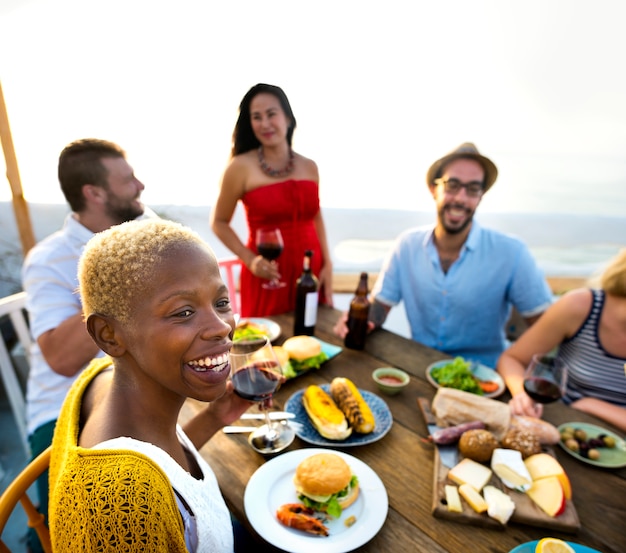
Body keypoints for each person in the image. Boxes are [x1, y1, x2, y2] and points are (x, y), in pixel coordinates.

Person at [48, 218, 254, 551]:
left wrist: (215, 417)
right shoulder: (119, 506)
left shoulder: (105, 377)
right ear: (109, 335)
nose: (221, 328)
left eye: (220, 303)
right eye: (183, 312)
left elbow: (167, 471)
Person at [21, 138, 152, 549]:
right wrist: (115, 273)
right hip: (63, 407)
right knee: (80, 531)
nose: (140, 186)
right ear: (94, 194)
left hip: (140, 390)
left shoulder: (143, 230)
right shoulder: (48, 260)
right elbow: (59, 358)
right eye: (128, 180)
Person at [334, 142, 553, 368]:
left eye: (472, 189)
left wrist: (514, 365)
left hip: (486, 378)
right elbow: (379, 306)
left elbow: (546, 326)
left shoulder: (512, 253)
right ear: (433, 189)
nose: (460, 198)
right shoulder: (407, 245)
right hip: (419, 368)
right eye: (452, 185)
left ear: (481, 196)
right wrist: (359, 319)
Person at [210, 83, 333, 317]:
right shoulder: (239, 167)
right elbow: (219, 222)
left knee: (312, 342)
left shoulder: (310, 166)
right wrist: (251, 260)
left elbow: (315, 215)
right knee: (267, 344)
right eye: (256, 117)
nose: (265, 123)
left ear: (287, 118)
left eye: (271, 114)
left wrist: (328, 264)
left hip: (310, 270)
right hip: (267, 273)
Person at [497, 250, 626, 432]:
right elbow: (512, 359)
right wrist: (521, 395)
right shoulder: (582, 307)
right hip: (561, 425)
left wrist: (592, 405)